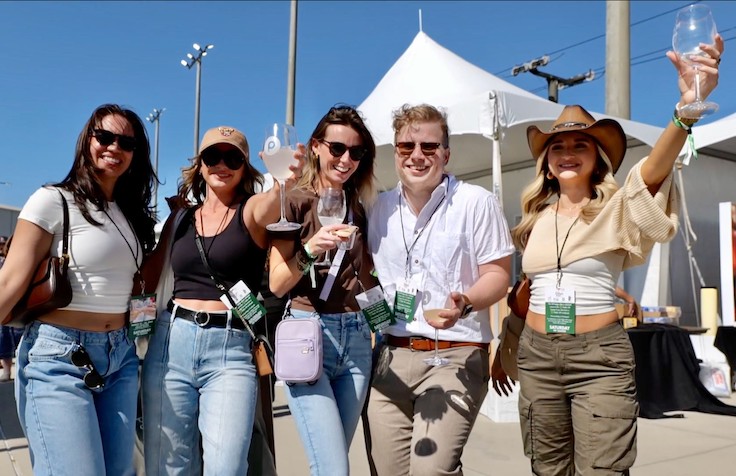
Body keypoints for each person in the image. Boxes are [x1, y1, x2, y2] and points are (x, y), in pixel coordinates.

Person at [498, 36, 723, 476]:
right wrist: (506, 342)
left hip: (598, 359)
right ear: (545, 163)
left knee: (603, 470)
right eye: (557, 148)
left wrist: (688, 107)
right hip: (537, 355)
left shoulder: (617, 208)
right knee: (547, 469)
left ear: (597, 160)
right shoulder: (533, 218)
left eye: (579, 146)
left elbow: (654, 171)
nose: (566, 153)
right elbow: (531, 289)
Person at [0, 104, 157, 475]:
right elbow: (9, 280)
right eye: (105, 137)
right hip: (59, 355)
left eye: (127, 142)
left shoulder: (130, 215)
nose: (114, 148)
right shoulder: (54, 200)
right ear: (87, 141)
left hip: (121, 357)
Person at [141, 125, 303, 475]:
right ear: (200, 165)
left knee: (226, 467)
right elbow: (150, 275)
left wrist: (283, 179)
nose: (221, 164)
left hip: (229, 350)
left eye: (233, 157)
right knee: (168, 466)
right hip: (172, 343)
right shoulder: (180, 218)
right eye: (212, 156)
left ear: (246, 166)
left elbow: (271, 202)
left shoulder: (251, 211)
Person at [366, 103, 515, 475]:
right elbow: (365, 277)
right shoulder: (376, 208)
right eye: (406, 147)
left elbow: (499, 274)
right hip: (391, 357)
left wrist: (466, 302)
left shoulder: (475, 202)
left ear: (445, 154)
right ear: (396, 152)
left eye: (429, 147)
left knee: (430, 470)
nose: (417, 155)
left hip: (456, 353)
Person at [268, 105, 379, 475]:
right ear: (316, 147)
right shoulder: (293, 201)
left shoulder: (358, 208)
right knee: (333, 468)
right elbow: (277, 282)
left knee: (332, 464)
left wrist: (384, 317)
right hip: (307, 333)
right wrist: (311, 249)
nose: (346, 159)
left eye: (356, 152)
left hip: (357, 339)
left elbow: (364, 277)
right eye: (337, 149)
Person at [0, 236, 24, 382]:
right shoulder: (2, 262)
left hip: (21, 309)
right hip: (6, 308)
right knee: (4, 339)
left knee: (21, 340)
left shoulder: (24, 263)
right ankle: (7, 371)